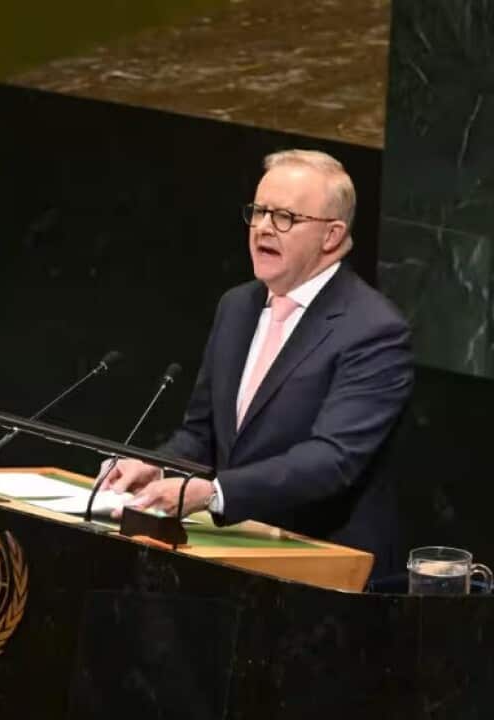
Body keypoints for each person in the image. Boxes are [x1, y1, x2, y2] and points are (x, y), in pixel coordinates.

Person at [101, 148, 414, 571]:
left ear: (332, 235)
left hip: (323, 569)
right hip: (228, 555)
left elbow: (332, 460)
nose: (263, 228)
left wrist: (212, 493)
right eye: (259, 211)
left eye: (285, 217)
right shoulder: (237, 306)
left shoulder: (373, 330)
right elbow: (202, 435)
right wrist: (155, 469)